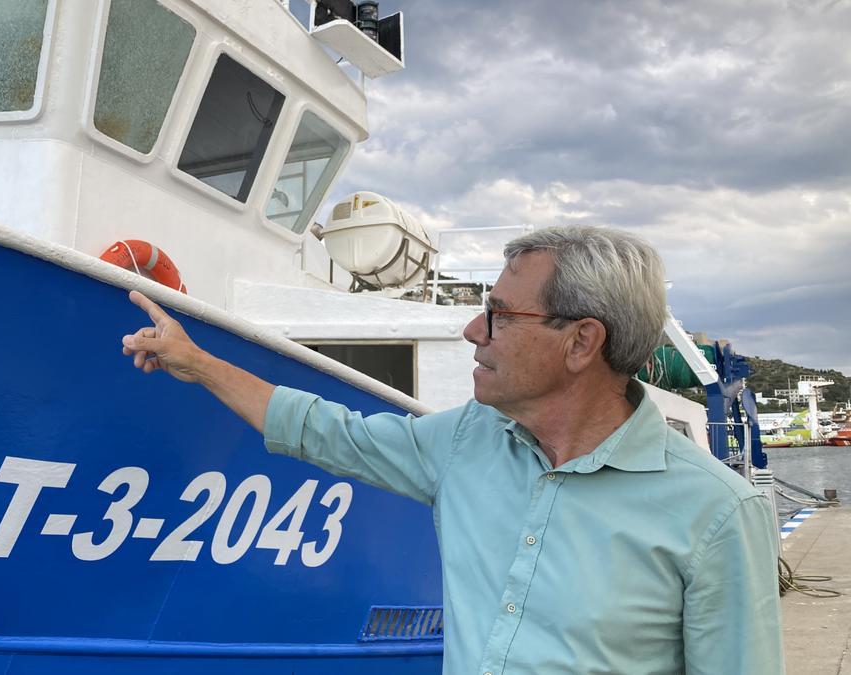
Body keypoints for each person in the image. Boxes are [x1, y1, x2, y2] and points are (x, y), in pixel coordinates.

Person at [121, 225, 783, 674]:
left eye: (499, 313)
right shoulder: (467, 438)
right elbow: (327, 430)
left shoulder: (716, 514)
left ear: (581, 342)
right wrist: (197, 362)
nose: (473, 329)